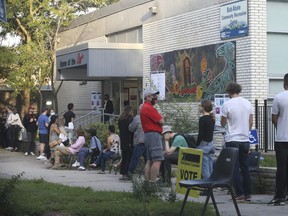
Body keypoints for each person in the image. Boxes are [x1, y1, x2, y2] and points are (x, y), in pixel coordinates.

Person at [221, 82, 253, 202]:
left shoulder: (227, 104)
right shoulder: (247, 103)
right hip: (245, 139)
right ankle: (248, 194)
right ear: (239, 90)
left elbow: (223, 123)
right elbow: (251, 122)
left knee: (235, 168)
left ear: (229, 91)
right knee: (245, 167)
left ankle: (239, 194)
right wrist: (245, 131)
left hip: (232, 139)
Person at [268, 73, 288, 206]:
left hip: (282, 138)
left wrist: (279, 125)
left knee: (281, 168)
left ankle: (280, 196)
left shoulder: (279, 97)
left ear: (285, 82)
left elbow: (274, 118)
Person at [140, 88, 164, 182]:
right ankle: (153, 182)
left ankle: (147, 182)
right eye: (154, 95)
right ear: (148, 97)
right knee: (157, 160)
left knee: (149, 160)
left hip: (147, 135)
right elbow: (161, 121)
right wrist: (161, 116)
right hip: (154, 135)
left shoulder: (143, 107)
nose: (155, 97)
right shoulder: (149, 108)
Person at [196, 100, 215, 179]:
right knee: (210, 168)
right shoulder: (212, 118)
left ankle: (207, 188)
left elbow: (201, 134)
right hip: (211, 144)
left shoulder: (202, 119)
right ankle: (213, 185)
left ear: (203, 107)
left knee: (204, 169)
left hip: (204, 144)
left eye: (201, 106)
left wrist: (197, 145)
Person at [127, 105, 147, 175]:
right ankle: (149, 175)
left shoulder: (138, 118)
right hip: (149, 141)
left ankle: (129, 174)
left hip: (140, 141)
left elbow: (131, 128)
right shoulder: (150, 117)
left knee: (135, 158)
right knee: (148, 160)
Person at [118, 105, 134, 180]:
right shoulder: (130, 119)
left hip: (123, 140)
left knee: (124, 157)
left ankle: (123, 172)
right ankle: (127, 173)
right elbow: (131, 130)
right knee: (129, 157)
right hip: (129, 140)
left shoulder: (120, 119)